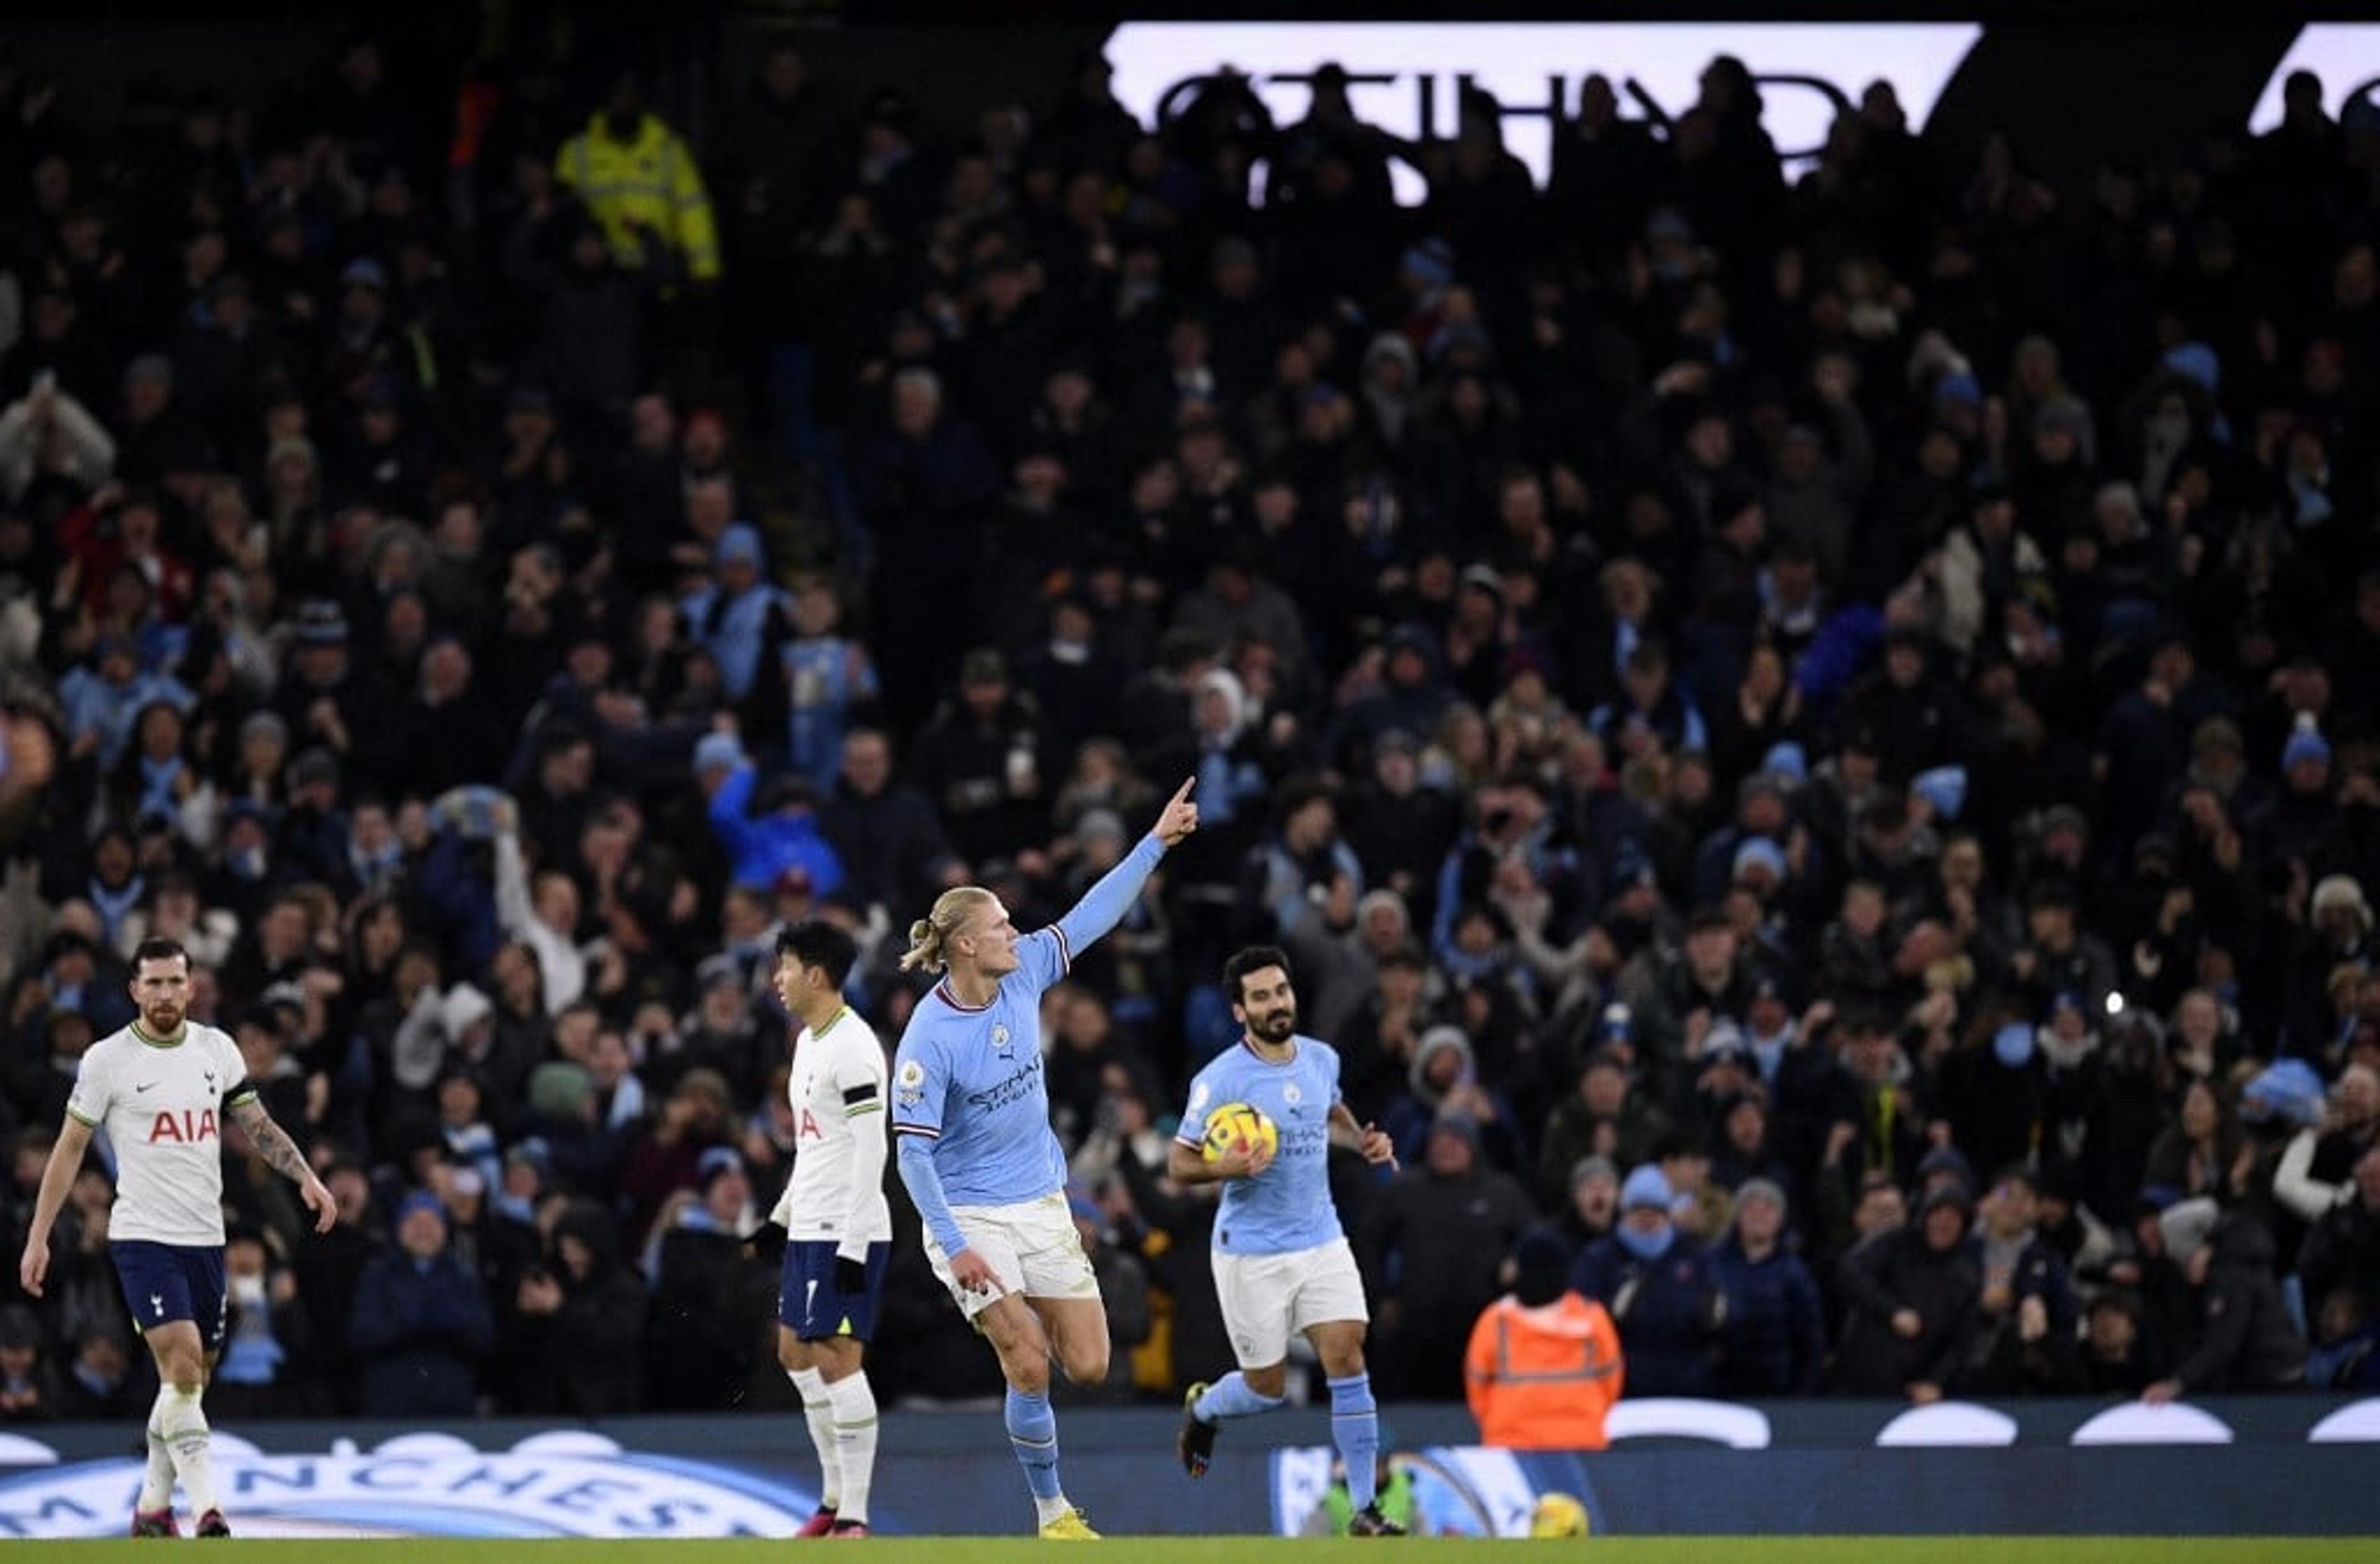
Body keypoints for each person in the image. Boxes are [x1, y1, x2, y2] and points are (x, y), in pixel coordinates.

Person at [891, 777, 1199, 1539]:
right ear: (965, 944)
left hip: (1040, 1201)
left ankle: (1028, 1369)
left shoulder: (1025, 969)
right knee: (1027, 1359)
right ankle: (1053, 1513)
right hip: (966, 1212)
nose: (1012, 931)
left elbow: (1091, 915)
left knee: (1088, 1365)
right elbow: (912, 1157)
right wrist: (957, 1246)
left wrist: (1153, 844)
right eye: (998, 925)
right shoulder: (929, 1040)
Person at [17, 937, 335, 1537]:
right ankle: (208, 1512)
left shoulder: (217, 1049)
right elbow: (69, 1149)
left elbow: (257, 1125)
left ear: (191, 987)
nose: (165, 993)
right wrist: (40, 1235)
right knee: (185, 1368)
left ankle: (151, 1507)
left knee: (187, 1382)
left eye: (175, 981)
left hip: (206, 1240)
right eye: (154, 983)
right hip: (142, 1237)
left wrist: (306, 1177)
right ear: (135, 990)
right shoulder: (107, 1061)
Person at [1166, 945, 1405, 1537]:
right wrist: (1230, 1167)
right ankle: (1205, 1409)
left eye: (1282, 991)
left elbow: (1328, 1109)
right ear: (1240, 1011)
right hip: (1250, 1249)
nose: (1277, 1004)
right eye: (1262, 997)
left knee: (1348, 1353)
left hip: (1321, 1234)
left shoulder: (1321, 1057)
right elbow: (1178, 1163)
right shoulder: (1220, 1079)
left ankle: (1363, 1508)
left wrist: (1363, 1141)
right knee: (1265, 1388)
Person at [769, 919, 891, 1540]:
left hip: (850, 1226)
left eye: (785, 968)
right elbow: (815, 1148)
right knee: (793, 1351)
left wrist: (852, 1243)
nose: (777, 981)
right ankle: (831, 1497)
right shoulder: (808, 1042)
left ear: (815, 974)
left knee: (837, 1359)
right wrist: (779, 1218)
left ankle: (855, 1516)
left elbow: (873, 1151)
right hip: (808, 1223)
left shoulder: (856, 1047)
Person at [1463, 1230, 1624, 1449]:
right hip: (1581, 1442)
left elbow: (1477, 1389)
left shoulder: (1495, 1320)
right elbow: (1612, 1382)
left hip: (1511, 1445)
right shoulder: (1592, 1317)